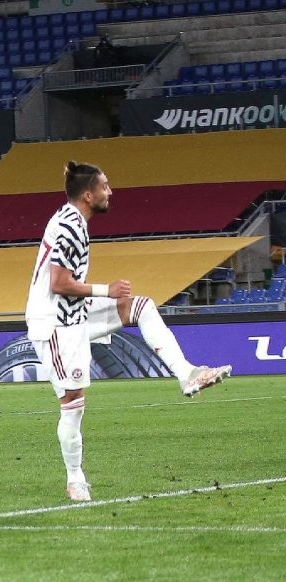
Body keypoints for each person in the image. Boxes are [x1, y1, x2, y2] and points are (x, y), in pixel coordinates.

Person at [25, 161, 231, 502]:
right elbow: (58, 283)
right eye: (105, 186)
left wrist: (108, 295)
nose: (111, 191)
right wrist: (107, 290)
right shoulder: (70, 225)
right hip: (55, 324)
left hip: (74, 313)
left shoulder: (72, 220)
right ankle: (75, 479)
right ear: (88, 194)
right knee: (73, 403)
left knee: (141, 306)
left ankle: (187, 374)